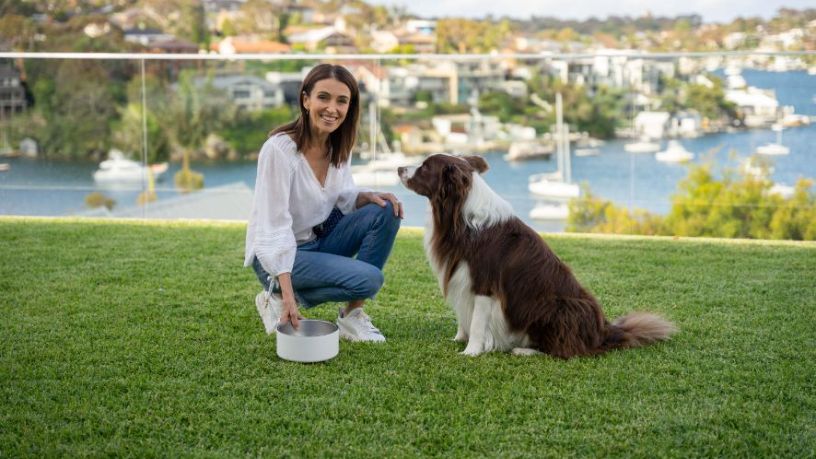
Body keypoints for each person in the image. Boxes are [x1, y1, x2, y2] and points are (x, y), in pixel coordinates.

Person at [244, 63, 403, 342]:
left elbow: (340, 197)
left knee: (386, 209)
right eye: (323, 97)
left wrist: (364, 197)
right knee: (369, 279)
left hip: (318, 243)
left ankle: (352, 318)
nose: (332, 108)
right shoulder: (279, 151)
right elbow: (273, 226)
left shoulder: (338, 146)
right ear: (306, 100)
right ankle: (278, 293)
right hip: (276, 255)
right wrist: (290, 296)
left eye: (342, 101)